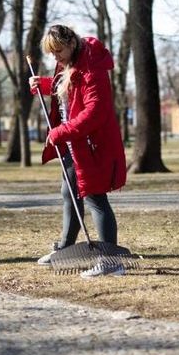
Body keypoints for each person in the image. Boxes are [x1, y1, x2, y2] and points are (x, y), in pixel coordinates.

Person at [29, 24, 127, 278]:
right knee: (69, 193)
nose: (55, 57)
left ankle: (111, 261)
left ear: (72, 43)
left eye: (58, 51)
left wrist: (60, 132)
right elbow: (69, 88)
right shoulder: (72, 62)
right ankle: (66, 249)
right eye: (52, 53)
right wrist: (44, 83)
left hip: (93, 145)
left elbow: (95, 112)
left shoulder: (93, 67)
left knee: (95, 198)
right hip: (75, 144)